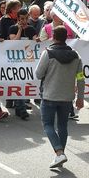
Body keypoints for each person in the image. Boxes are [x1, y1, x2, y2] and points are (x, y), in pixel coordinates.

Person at [35, 26, 85, 169]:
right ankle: (60, 156)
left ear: (53, 37)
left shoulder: (48, 53)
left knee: (48, 125)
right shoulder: (76, 55)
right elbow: (80, 78)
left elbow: (38, 74)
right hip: (67, 98)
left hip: (49, 95)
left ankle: (59, 153)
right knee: (63, 126)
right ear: (66, 38)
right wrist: (80, 98)